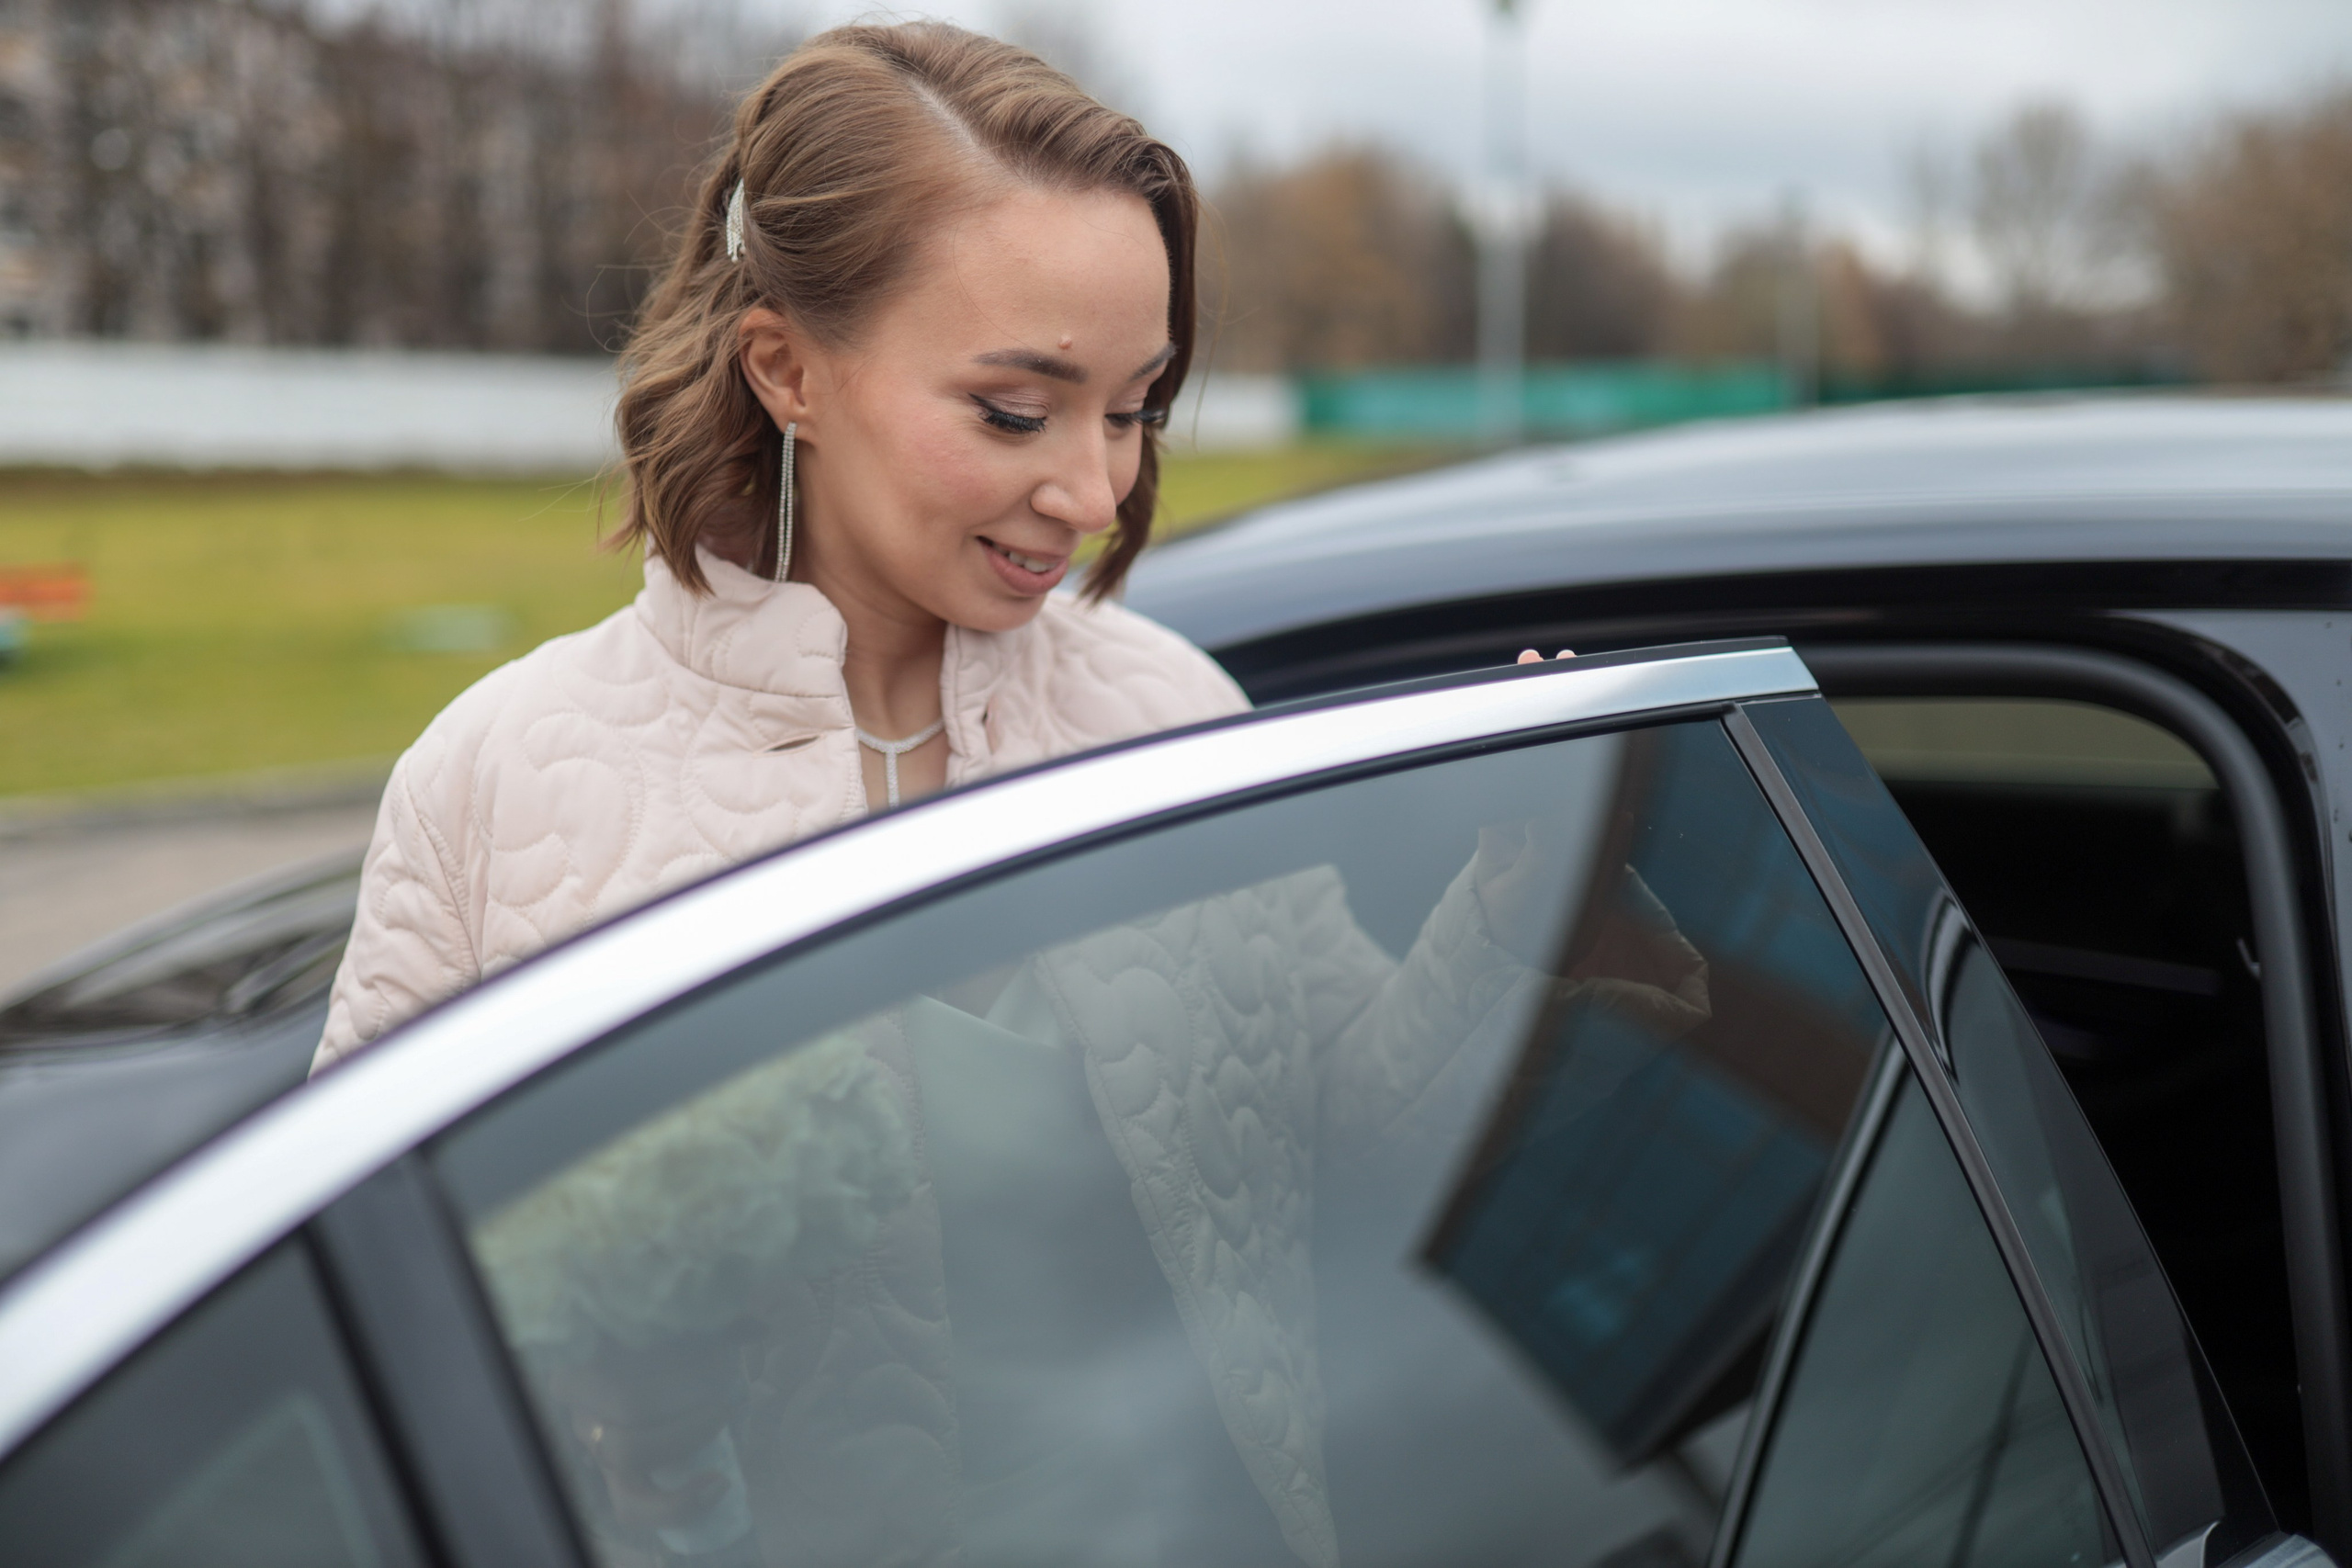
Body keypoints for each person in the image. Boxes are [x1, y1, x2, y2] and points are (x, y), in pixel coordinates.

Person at [313, 23, 1242, 1070]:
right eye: (1015, 412)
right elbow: (374, 1217)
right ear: (786, 371)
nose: (1094, 495)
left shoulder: (1181, 716)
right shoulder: (485, 783)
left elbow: (1342, 1134)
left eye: (1132, 410)